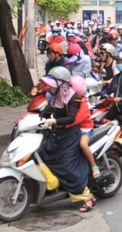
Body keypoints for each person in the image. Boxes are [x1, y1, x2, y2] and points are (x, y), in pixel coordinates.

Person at [39, 67, 96, 212]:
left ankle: (87, 196)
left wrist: (55, 122)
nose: (50, 87)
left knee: (66, 166)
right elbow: (49, 111)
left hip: (70, 135)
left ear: (61, 84)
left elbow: (71, 118)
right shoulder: (57, 96)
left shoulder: (72, 98)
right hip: (59, 134)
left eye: (53, 84)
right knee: (44, 154)